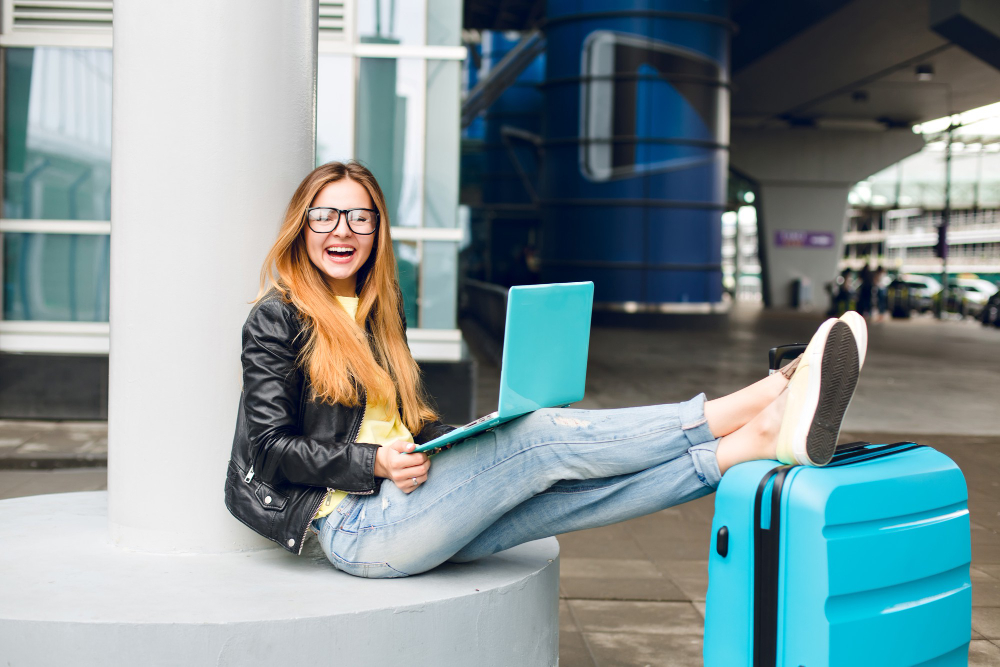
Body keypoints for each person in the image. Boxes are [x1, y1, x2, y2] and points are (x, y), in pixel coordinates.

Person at [224, 161, 869, 578]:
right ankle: (762, 397)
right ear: (301, 227)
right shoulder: (277, 318)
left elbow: (399, 429)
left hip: (407, 505)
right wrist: (376, 465)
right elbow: (273, 449)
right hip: (355, 527)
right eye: (327, 215)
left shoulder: (373, 316)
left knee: (561, 491)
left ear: (378, 233)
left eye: (361, 216)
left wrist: (458, 442)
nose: (344, 229)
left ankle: (749, 447)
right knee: (538, 439)